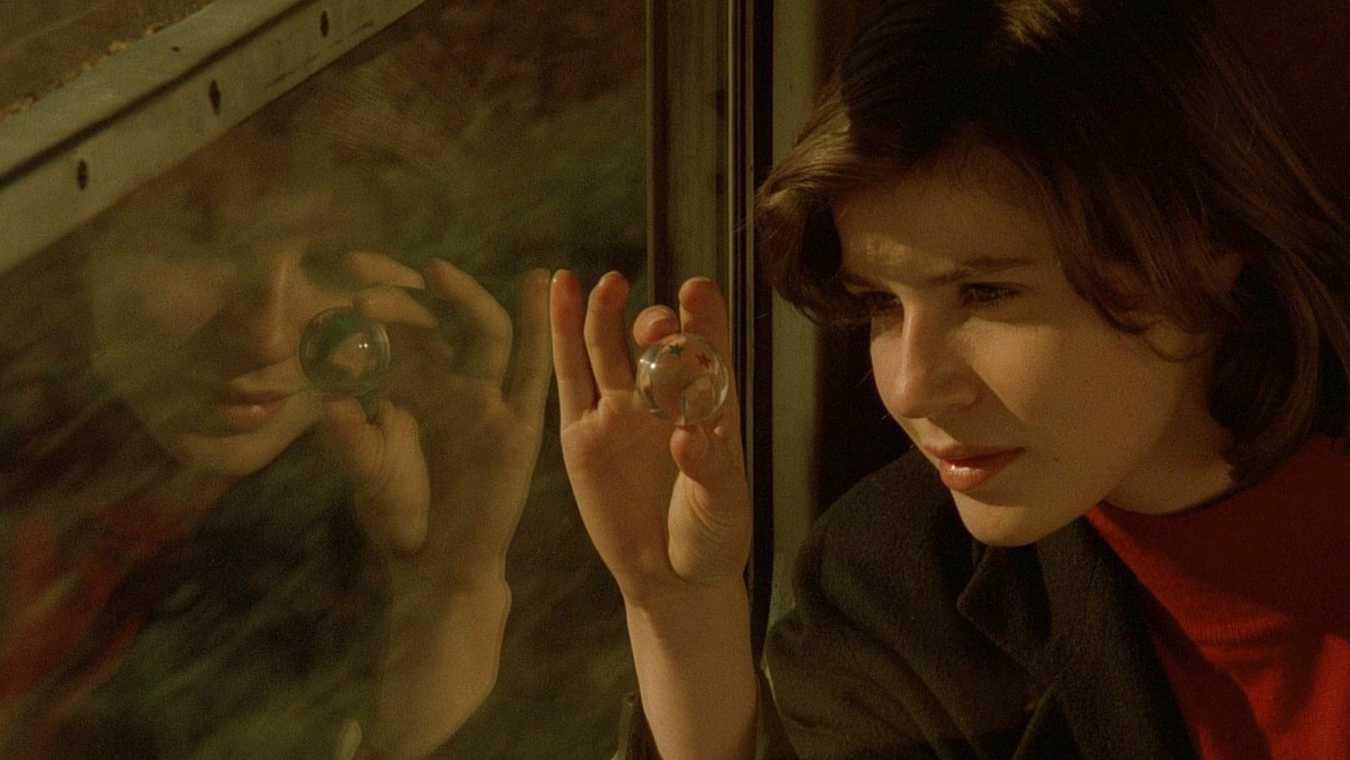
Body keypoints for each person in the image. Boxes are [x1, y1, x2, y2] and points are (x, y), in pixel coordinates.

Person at [551, 0, 1350, 758]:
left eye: (987, 293)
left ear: (1204, 257)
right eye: (881, 305)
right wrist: (677, 614)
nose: (909, 388)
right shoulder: (895, 589)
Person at [0, 19, 553, 760]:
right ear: (83, 237)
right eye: (203, 240)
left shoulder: (361, 539)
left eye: (326, 258)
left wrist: (454, 597)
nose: (264, 335)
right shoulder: (34, 534)